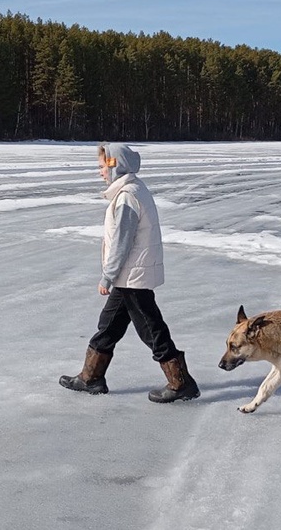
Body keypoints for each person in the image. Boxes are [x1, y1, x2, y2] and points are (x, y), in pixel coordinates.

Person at [59, 143, 200, 403]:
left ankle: (181, 382)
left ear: (116, 166)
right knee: (109, 324)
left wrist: (107, 276)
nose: (99, 172)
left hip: (131, 275)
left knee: (150, 328)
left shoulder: (127, 197)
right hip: (131, 274)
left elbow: (122, 242)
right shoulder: (132, 190)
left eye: (102, 166)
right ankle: (91, 378)